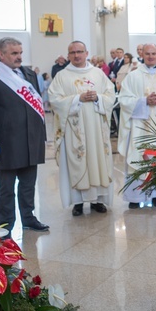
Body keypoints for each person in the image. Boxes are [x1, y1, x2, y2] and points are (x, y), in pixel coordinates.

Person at [0, 37, 49, 233]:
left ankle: (28, 217)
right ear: (1, 54)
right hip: (7, 142)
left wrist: (41, 136)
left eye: (20, 53)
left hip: (30, 139)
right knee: (7, 187)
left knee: (28, 184)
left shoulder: (28, 74)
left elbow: (37, 106)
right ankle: (5, 224)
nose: (19, 57)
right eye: (14, 53)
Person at [49, 41, 116, 216]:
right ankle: (77, 202)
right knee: (77, 162)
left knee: (97, 160)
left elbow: (111, 95)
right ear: (68, 55)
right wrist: (78, 99)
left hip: (96, 129)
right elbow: (54, 100)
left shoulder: (98, 73)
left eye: (80, 52)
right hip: (74, 129)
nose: (76, 55)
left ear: (87, 53)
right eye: (72, 52)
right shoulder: (62, 76)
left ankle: (97, 200)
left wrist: (98, 98)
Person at [118, 44, 156, 209]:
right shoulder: (132, 76)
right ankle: (135, 198)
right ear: (142, 55)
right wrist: (144, 101)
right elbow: (123, 100)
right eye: (148, 54)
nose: (151, 56)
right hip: (139, 126)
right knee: (138, 158)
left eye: (153, 53)